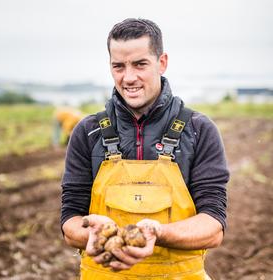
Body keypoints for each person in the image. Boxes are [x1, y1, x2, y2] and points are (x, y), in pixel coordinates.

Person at [61, 18, 229, 279]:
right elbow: (70, 218)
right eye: (118, 66)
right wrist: (90, 235)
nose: (129, 78)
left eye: (140, 64)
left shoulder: (199, 130)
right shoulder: (87, 131)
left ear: (162, 62)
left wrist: (158, 233)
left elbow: (213, 225)